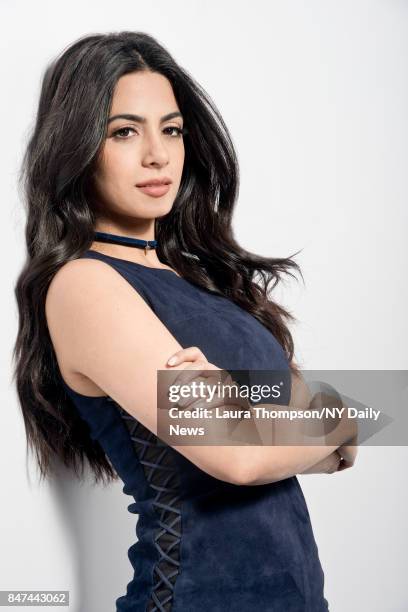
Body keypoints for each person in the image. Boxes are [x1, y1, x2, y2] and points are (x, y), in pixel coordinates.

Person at [13, 31, 357, 611]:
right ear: (76, 147)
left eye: (170, 129)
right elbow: (240, 457)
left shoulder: (204, 281)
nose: (158, 154)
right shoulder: (86, 285)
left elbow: (348, 425)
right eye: (124, 131)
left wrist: (315, 420)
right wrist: (326, 421)